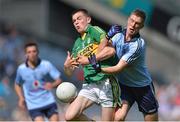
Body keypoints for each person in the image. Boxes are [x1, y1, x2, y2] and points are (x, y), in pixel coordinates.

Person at [90, 9, 159, 121]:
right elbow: (99, 53)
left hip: (142, 87)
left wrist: (100, 69)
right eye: (132, 21)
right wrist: (107, 37)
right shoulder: (117, 36)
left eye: (137, 23)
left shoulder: (138, 45)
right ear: (128, 20)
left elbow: (118, 68)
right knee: (118, 118)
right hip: (125, 86)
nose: (133, 25)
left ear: (141, 26)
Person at [64, 8, 121, 121]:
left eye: (79, 19)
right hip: (89, 85)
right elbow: (70, 73)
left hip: (106, 83)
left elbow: (111, 51)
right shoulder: (77, 44)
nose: (76, 22)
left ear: (88, 19)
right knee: (69, 116)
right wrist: (66, 66)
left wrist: (89, 60)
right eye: (74, 21)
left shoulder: (94, 30)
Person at [14, 42, 62, 121]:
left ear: (38, 52)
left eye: (34, 51)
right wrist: (21, 98)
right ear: (26, 54)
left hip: (48, 101)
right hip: (33, 104)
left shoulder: (46, 64)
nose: (32, 54)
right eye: (29, 52)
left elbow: (59, 80)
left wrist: (52, 85)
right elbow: (17, 84)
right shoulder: (21, 69)